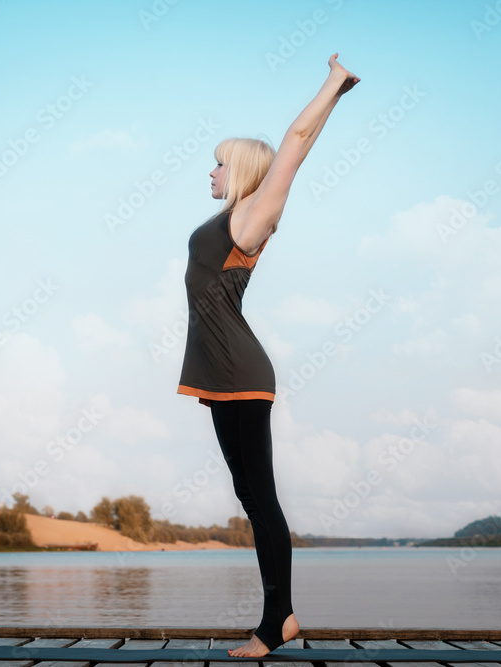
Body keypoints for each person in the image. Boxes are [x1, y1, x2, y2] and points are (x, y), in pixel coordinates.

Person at [177, 53, 359, 658]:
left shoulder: (254, 217)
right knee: (252, 495)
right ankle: (276, 618)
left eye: (218, 164)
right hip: (221, 367)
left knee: (262, 495)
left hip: (240, 370)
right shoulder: (228, 216)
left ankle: (276, 621)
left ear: (242, 170)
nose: (210, 172)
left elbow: (296, 142)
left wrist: (332, 85)